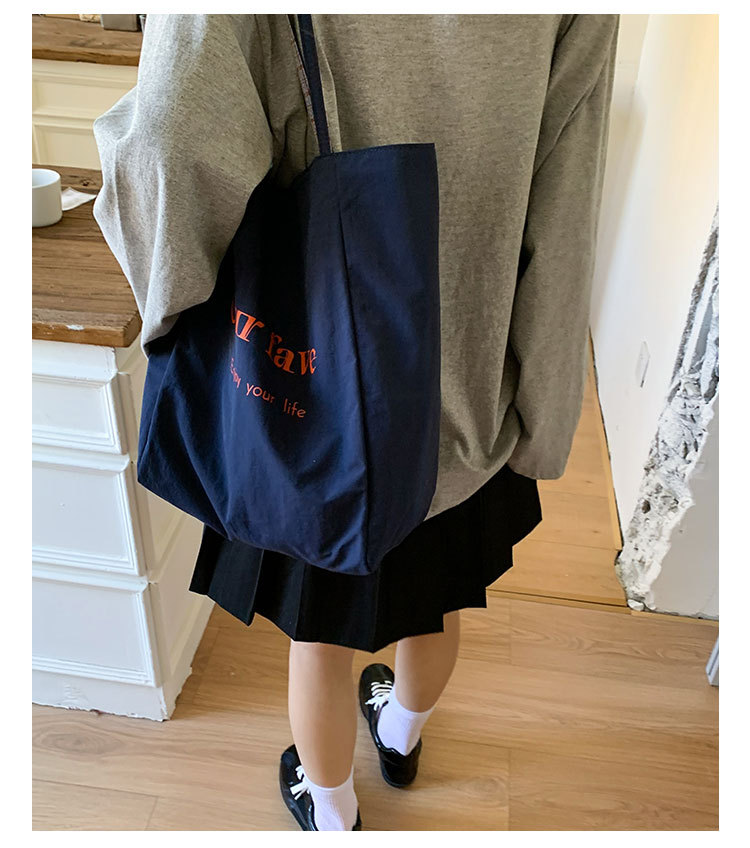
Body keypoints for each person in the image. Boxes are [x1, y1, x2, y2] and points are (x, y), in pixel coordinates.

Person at [92, 13, 619, 831]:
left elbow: (167, 137)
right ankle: (401, 736)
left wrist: (170, 303)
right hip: (465, 392)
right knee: (437, 600)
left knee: (320, 640)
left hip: (315, 401)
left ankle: (333, 811)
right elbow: (566, 198)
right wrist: (543, 412)